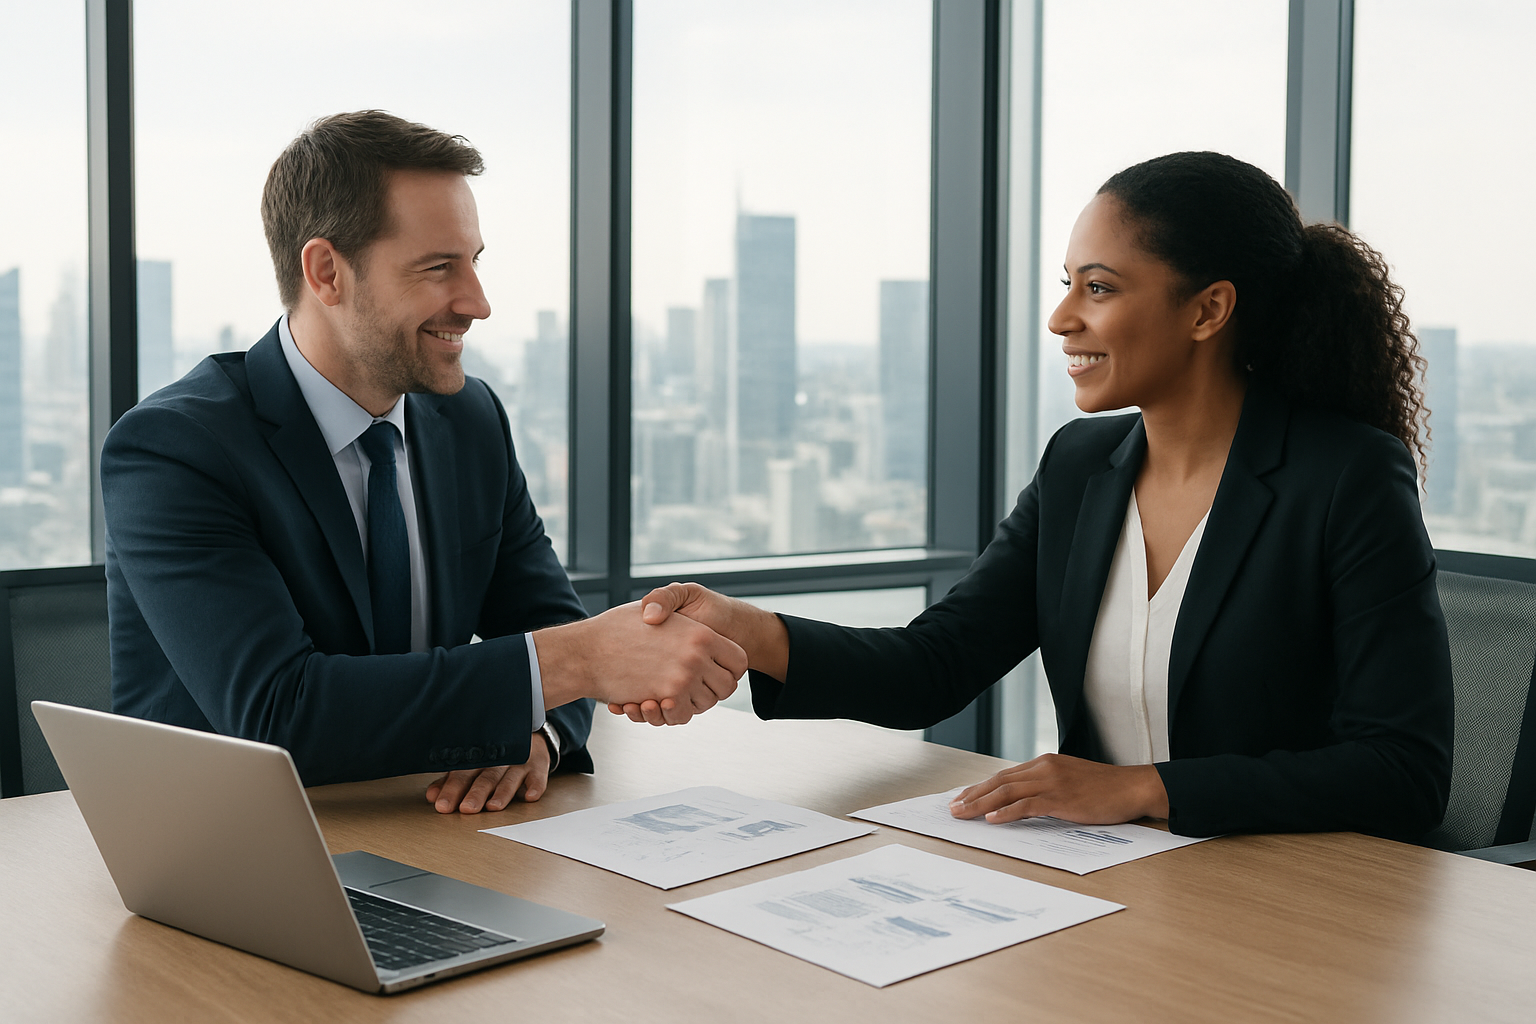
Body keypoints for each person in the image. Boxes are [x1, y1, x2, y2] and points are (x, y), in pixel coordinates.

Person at [625, 151, 1455, 840]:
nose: (1061, 318)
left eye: (1098, 288)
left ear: (1209, 310)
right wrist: (750, 631)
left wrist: (1144, 788)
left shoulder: (1345, 477)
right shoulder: (1079, 468)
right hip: (1110, 884)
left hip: (1291, 902)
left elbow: (1400, 770)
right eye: (1068, 284)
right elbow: (933, 667)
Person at [104, 111, 745, 814]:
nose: (477, 302)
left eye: (474, 261)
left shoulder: (469, 420)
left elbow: (547, 620)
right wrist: (580, 660)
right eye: (439, 268)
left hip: (428, 826)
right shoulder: (176, 448)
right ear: (326, 272)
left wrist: (540, 737)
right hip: (232, 848)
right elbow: (280, 716)